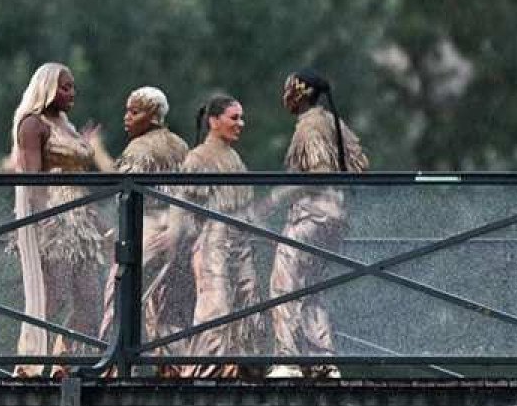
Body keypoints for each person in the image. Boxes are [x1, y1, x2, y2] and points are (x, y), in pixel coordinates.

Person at [267, 69, 368, 378]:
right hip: (337, 215)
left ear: (298, 93)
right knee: (312, 288)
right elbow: (360, 164)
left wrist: (274, 198)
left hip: (311, 215)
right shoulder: (333, 122)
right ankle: (323, 360)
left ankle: (288, 360)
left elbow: (317, 172)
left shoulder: (308, 127)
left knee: (283, 286)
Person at [10, 62, 109, 375]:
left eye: (72, 87)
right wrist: (43, 223)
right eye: (65, 87)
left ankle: (63, 361)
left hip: (80, 220)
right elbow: (32, 180)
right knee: (56, 296)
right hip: (53, 219)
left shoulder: (66, 123)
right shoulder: (32, 124)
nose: (71, 93)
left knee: (91, 298)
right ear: (48, 88)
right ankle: (31, 363)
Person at [98, 87, 193, 365]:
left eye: (134, 112)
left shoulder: (140, 148)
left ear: (152, 116)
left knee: (118, 294)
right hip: (179, 228)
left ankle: (110, 360)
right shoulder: (180, 145)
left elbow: (120, 181)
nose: (126, 117)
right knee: (169, 303)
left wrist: (97, 150)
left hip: (147, 226)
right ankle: (174, 365)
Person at [176, 94, 267, 378]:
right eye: (234, 118)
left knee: (247, 299)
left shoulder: (234, 157)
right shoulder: (198, 157)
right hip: (212, 237)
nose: (241, 123)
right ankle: (205, 370)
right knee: (215, 303)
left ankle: (242, 365)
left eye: (241, 117)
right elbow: (186, 205)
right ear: (214, 121)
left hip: (240, 239)